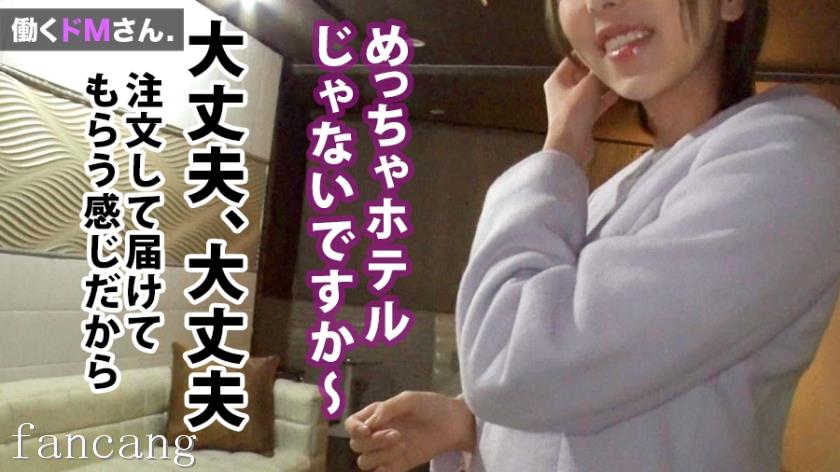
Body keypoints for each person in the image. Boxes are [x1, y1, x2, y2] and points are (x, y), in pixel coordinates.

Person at [344, 0, 840, 470]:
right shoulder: (619, 190)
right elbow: (594, 382)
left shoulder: (791, 157)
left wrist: (559, 149)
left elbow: (512, 360)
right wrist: (472, 422)